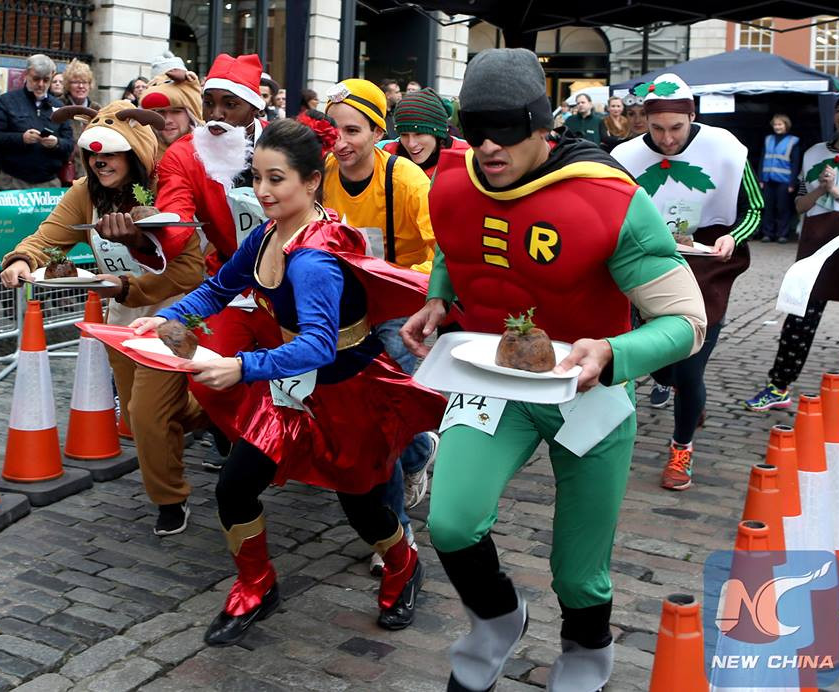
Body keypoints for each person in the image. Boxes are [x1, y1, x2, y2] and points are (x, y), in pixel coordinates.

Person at [400, 48, 706, 692]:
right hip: (490, 377)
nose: (488, 145)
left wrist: (612, 354)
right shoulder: (451, 181)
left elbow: (686, 321)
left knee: (578, 569)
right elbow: (460, 248)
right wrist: (438, 293)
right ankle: (495, 623)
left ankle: (588, 656)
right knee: (451, 522)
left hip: (586, 389)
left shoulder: (609, 199)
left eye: (507, 128)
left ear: (545, 125)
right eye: (474, 126)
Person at [130, 117, 446, 647]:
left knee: (364, 506)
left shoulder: (315, 257)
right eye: (256, 178)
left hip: (347, 394)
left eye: (276, 179)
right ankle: (256, 585)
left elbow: (321, 346)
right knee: (234, 487)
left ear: (310, 181)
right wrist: (169, 319)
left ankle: (403, 565)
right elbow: (216, 288)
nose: (262, 190)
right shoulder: (264, 238)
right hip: (290, 392)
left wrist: (240, 368)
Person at [0, 100, 211, 536]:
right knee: (139, 419)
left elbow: (190, 271)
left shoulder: (163, 191)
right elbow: (47, 237)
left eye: (112, 153)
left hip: (174, 315)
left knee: (148, 413)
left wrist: (131, 283)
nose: (101, 162)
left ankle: (170, 498)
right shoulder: (84, 194)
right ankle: (215, 411)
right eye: (95, 154)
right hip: (120, 317)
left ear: (134, 152)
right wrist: (22, 259)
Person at [612, 73, 762, 491]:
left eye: (676, 128)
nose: (666, 138)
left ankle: (682, 446)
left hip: (709, 262)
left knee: (691, 361)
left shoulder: (727, 149)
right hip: (652, 260)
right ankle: (678, 388)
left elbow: (755, 207)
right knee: (663, 368)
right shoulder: (624, 154)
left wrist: (735, 235)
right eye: (656, 128)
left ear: (692, 116)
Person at [323, 78, 438, 575]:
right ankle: (419, 452)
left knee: (388, 414)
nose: (341, 141)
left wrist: (401, 281)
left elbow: (442, 254)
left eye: (352, 130)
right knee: (369, 418)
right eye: (334, 129)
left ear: (376, 131)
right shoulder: (324, 172)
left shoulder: (408, 181)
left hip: (398, 304)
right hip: (344, 305)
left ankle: (396, 532)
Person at [149, 52, 275, 473]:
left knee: (314, 373)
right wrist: (141, 237)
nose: (216, 115)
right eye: (210, 103)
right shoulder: (186, 154)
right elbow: (176, 223)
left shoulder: (286, 143)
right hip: (228, 282)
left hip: (292, 280)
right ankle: (252, 448)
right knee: (205, 371)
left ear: (254, 108)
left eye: (230, 105)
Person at [745, 95, 839, 412]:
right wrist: (820, 189)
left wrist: (837, 193)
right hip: (817, 242)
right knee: (800, 315)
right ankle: (778, 386)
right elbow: (800, 205)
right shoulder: (815, 153)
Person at [0, 53, 73, 190]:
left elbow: (69, 144)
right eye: (36, 79)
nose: (41, 84)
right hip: (12, 181)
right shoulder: (6, 101)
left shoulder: (59, 107)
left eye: (46, 80)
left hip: (48, 183)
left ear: (52, 75)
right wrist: (22, 138)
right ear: (26, 74)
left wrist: (56, 143)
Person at [381, 86, 469, 178]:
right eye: (404, 134)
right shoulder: (387, 155)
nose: (411, 144)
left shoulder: (465, 157)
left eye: (419, 134)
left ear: (438, 133)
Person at [138, 57, 203, 156]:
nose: (167, 120)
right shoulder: (141, 153)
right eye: (160, 112)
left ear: (191, 113)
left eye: (176, 111)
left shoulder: (207, 152)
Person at [758, 114, 800, 243]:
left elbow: (795, 163)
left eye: (780, 124)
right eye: (775, 124)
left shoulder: (793, 141)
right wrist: (760, 178)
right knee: (768, 208)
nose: (777, 127)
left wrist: (792, 182)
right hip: (768, 179)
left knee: (783, 208)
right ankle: (767, 234)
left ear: (786, 125)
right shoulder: (768, 139)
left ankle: (782, 234)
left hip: (785, 180)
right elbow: (762, 160)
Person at [60, 59, 101, 183]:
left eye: (85, 82)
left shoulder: (97, 110)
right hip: (64, 173)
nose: (81, 86)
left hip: (91, 173)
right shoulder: (60, 107)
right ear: (67, 85)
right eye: (76, 82)